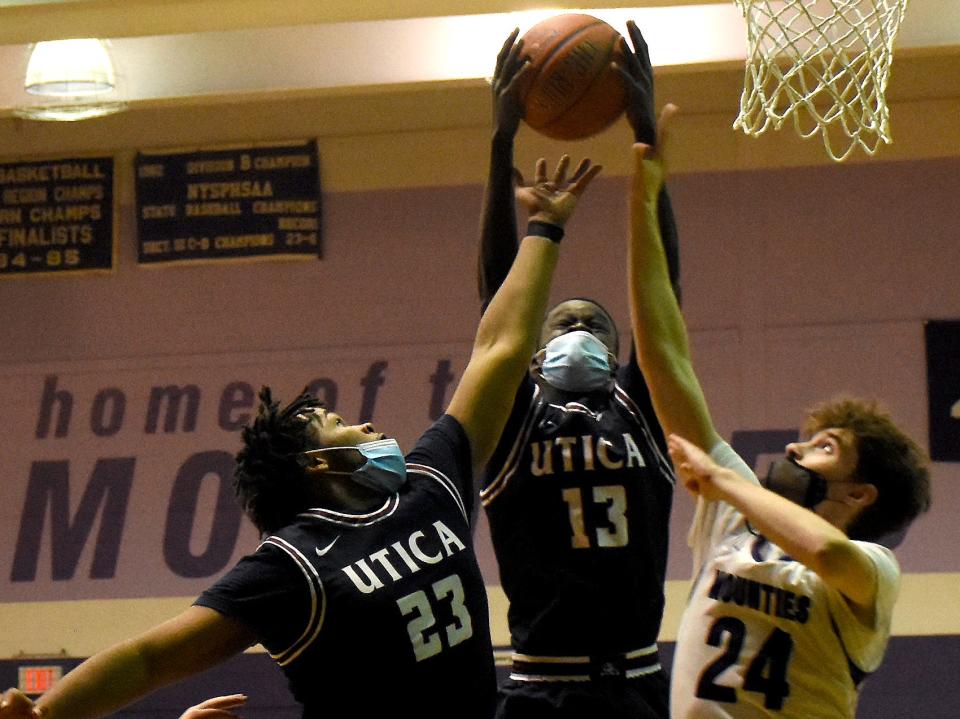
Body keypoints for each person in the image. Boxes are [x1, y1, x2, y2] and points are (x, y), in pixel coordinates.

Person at [0, 156, 601, 719]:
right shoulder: (292, 565)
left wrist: (544, 229)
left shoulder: (431, 482)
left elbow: (497, 349)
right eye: (344, 423)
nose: (370, 427)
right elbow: (150, 657)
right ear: (318, 461)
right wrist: (48, 712)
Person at [627, 103, 931, 717]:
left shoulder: (874, 570)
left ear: (861, 494)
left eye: (825, 447)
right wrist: (643, 200)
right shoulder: (734, 518)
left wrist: (721, 484)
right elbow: (664, 357)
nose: (794, 449)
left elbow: (827, 554)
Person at [475, 23, 679, 719]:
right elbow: (498, 304)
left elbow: (663, 301)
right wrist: (500, 144)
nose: (584, 331)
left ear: (623, 354)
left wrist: (646, 143)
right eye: (566, 322)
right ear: (535, 352)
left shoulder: (639, 406)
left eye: (598, 325)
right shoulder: (513, 408)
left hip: (639, 680)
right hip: (539, 685)